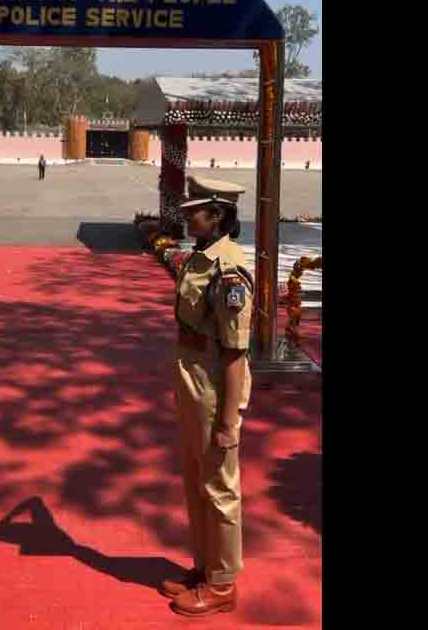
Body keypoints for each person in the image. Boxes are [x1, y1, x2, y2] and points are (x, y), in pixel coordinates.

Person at [160, 176, 254, 618]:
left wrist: (228, 422)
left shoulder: (229, 269)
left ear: (217, 216)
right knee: (196, 479)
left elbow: (236, 354)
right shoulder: (202, 257)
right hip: (193, 379)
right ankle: (204, 566)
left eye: (194, 209)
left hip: (215, 384)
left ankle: (222, 584)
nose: (186, 214)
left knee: (219, 486)